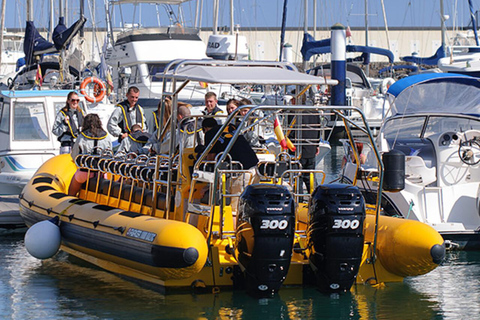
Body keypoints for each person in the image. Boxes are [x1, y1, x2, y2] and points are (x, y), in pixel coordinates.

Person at [69, 114, 112, 196]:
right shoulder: (106, 137)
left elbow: (75, 155)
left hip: (84, 172)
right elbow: (109, 154)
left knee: (71, 193)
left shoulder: (82, 136)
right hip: (101, 173)